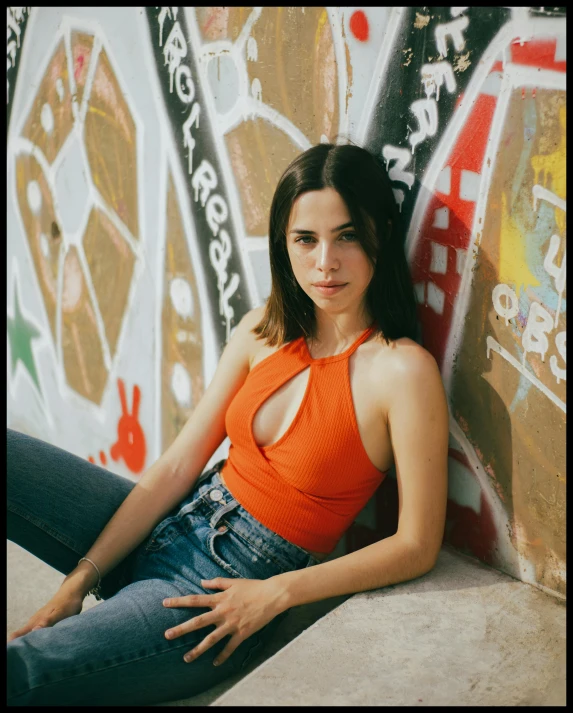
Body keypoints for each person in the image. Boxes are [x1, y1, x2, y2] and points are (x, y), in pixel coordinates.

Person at [7, 142, 449, 706]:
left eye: (348, 236)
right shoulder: (262, 331)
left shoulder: (402, 371)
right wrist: (77, 583)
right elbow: (175, 468)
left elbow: (416, 544)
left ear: (380, 234)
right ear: (283, 245)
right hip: (174, 520)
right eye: (305, 239)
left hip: (217, 595)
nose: (325, 262)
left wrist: (275, 593)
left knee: (24, 669)